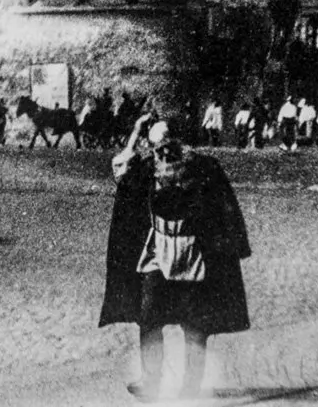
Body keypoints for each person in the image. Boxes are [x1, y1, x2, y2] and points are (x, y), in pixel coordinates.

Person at [101, 115, 251, 402]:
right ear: (152, 147)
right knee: (149, 319)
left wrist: (226, 247)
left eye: (170, 144)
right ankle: (152, 382)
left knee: (194, 324)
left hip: (193, 253)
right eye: (160, 146)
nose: (166, 152)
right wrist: (135, 130)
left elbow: (224, 210)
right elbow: (121, 169)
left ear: (179, 144)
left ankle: (190, 387)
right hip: (157, 251)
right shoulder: (145, 171)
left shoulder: (204, 169)